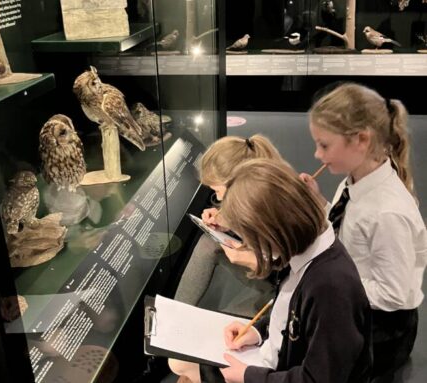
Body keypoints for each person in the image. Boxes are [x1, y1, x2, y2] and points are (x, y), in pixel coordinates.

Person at [170, 159, 372, 383]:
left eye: (251, 239)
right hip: (274, 359)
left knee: (182, 365)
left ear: (272, 233)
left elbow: (320, 378)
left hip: (276, 372)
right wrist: (258, 331)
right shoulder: (305, 256)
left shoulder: (331, 288)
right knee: (181, 364)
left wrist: (249, 376)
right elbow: (290, 317)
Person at [299, 82, 427, 381]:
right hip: (357, 307)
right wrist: (320, 203)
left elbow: (393, 295)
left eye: (324, 145)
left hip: (379, 333)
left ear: (361, 140)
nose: (317, 154)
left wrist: (331, 283)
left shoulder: (387, 213)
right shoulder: (355, 179)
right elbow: (350, 229)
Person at [174, 134, 283, 317]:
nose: (217, 198)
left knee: (228, 327)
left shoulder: (275, 214)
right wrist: (225, 220)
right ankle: (176, 313)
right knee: (207, 243)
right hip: (271, 269)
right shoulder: (260, 195)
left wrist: (248, 259)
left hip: (283, 287)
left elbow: (287, 271)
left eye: (217, 190)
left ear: (238, 184)